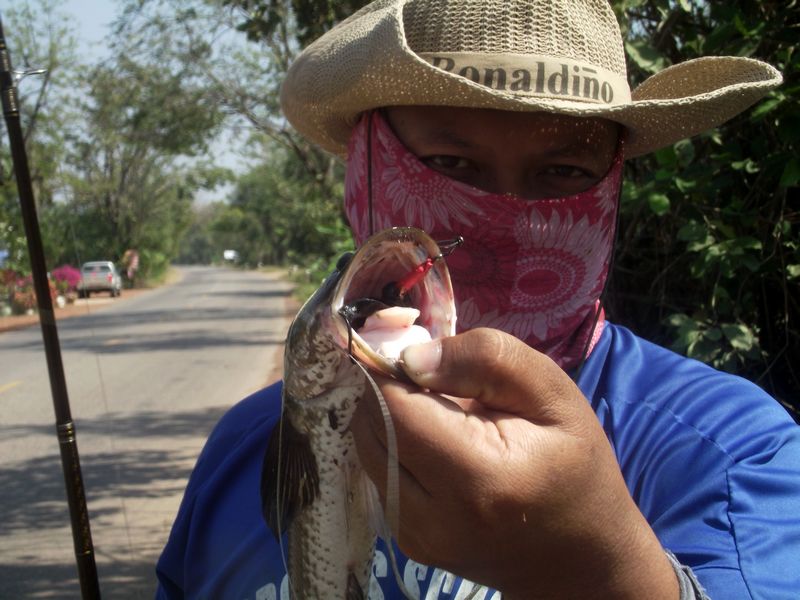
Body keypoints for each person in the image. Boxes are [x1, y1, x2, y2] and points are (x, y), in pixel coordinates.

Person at [155, 1, 800, 598]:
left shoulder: (731, 453)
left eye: (565, 171)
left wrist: (599, 569)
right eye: (451, 164)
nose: (504, 214)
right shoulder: (245, 449)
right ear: (362, 173)